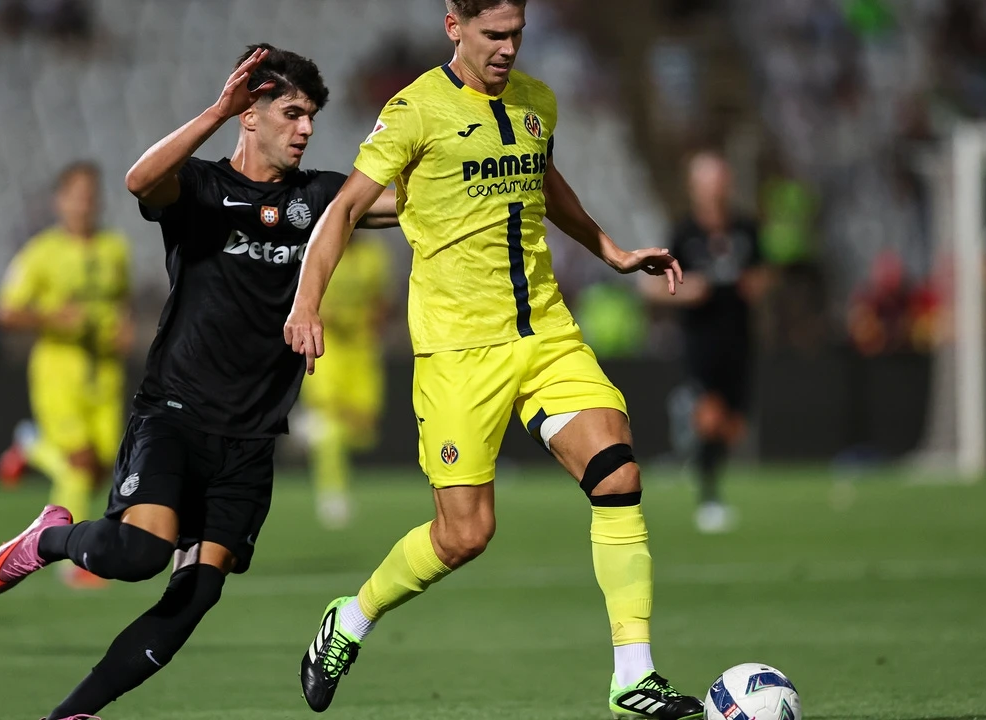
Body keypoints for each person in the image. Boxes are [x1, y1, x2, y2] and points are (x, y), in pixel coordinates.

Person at [284, 2, 703, 718]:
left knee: (617, 472)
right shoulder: (415, 109)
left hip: (545, 333)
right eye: (493, 35)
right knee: (464, 534)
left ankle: (633, 677)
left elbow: (543, 182)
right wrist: (305, 303)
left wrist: (611, 250)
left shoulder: (538, 102)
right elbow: (346, 209)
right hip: (457, 352)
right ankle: (350, 618)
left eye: (517, 35)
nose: (508, 49)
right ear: (455, 26)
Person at [0, 45, 397, 720]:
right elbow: (140, 181)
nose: (305, 129)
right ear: (250, 115)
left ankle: (71, 713)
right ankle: (50, 538)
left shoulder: (319, 199)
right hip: (176, 413)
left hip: (252, 435)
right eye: (291, 112)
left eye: (312, 116)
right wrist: (215, 110)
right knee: (140, 553)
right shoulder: (200, 188)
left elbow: (401, 204)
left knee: (196, 596)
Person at [0, 161, 132, 589]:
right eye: (76, 194)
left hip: (103, 373)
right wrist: (54, 317)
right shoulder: (40, 253)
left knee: (100, 466)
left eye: (91, 193)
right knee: (78, 462)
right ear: (60, 201)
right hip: (59, 372)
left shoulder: (114, 249)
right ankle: (77, 562)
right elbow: (5, 311)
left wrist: (124, 330)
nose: (85, 202)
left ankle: (31, 447)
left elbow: (121, 303)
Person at [641, 152, 768, 534]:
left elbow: (764, 274)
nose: (714, 189)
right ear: (695, 189)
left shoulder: (745, 229)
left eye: (719, 181)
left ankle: (696, 448)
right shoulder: (684, 233)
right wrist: (687, 291)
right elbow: (654, 286)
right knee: (710, 416)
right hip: (701, 341)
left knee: (733, 425)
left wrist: (754, 285)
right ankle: (709, 497)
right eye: (707, 182)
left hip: (740, 340)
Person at [299, 230, 394, 529]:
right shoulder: (320, 252)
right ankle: (333, 495)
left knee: (363, 431)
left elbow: (382, 299)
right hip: (328, 349)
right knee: (331, 429)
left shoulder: (374, 255)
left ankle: (306, 430)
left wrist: (375, 320)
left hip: (362, 350)